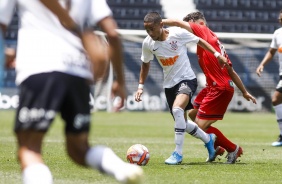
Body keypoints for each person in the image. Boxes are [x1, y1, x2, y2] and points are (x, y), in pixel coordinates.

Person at [0, 0, 143, 184]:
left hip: (39, 65)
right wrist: (120, 82)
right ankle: (120, 169)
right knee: (79, 150)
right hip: (78, 72)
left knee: (29, 148)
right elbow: (112, 34)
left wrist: (5, 53)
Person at [135, 11, 228, 165]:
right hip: (169, 85)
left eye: (152, 29)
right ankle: (209, 139)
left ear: (161, 25)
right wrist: (140, 86)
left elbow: (200, 41)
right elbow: (145, 64)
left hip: (187, 79)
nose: (150, 33)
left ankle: (178, 153)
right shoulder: (148, 43)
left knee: (178, 109)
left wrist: (217, 55)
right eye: (147, 30)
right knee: (182, 124)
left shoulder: (177, 34)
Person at [162, 11, 257, 163]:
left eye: (189, 27)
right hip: (211, 88)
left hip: (220, 88)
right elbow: (231, 70)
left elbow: (177, 22)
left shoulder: (203, 31)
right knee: (192, 114)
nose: (187, 31)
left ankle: (233, 149)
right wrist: (244, 92)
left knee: (200, 126)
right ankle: (216, 147)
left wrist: (159, 22)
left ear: (198, 24)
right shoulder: (210, 42)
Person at [256, 9, 282, 147]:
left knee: (276, 99)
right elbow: (271, 51)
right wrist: (262, 64)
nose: (280, 20)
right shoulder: (278, 33)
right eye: (280, 18)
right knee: (276, 100)